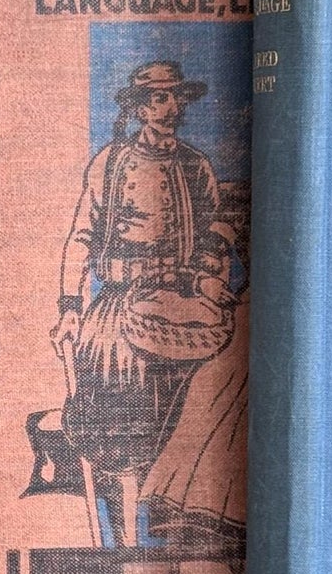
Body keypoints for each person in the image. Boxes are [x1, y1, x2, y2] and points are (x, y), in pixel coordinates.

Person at [50, 61, 239, 546]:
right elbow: (82, 237)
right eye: (158, 100)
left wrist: (211, 276)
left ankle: (176, 535)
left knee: (191, 424)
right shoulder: (111, 163)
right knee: (120, 434)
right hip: (117, 312)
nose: (171, 109)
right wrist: (71, 306)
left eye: (177, 99)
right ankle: (127, 549)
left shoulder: (196, 166)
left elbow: (215, 230)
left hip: (181, 308)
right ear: (138, 108)